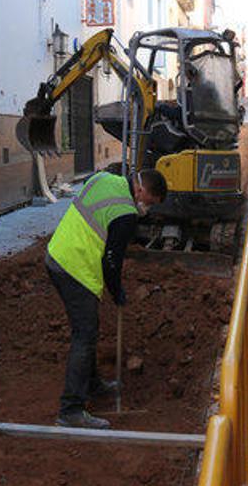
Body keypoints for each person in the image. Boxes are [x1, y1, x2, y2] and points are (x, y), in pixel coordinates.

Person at [46, 169, 167, 429]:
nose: (146, 208)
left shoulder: (105, 178)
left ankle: (92, 385)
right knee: (85, 335)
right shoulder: (126, 214)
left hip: (57, 254)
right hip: (75, 267)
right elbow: (112, 261)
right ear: (141, 191)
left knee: (86, 330)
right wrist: (117, 292)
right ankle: (71, 410)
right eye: (150, 202)